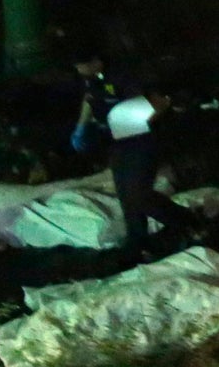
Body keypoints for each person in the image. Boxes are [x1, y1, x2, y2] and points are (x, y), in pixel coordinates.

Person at [106, 93, 200, 254]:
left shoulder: (121, 76)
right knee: (126, 196)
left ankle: (190, 222)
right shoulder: (93, 83)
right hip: (120, 137)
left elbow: (160, 100)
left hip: (140, 135)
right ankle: (137, 241)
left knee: (138, 194)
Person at [71, 53, 124, 156]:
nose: (79, 70)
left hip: (126, 127)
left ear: (94, 62)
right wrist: (80, 127)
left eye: (81, 66)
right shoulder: (90, 78)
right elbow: (89, 99)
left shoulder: (117, 74)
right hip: (106, 130)